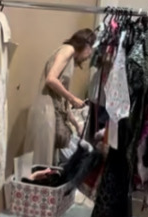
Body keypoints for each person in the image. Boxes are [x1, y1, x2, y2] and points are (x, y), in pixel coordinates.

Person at [25, 28, 96, 166]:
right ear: (86, 44)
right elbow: (51, 79)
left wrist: (76, 124)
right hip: (46, 111)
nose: (90, 55)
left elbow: (62, 99)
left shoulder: (70, 59)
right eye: (91, 49)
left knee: (49, 161)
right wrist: (72, 98)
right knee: (42, 161)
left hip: (52, 111)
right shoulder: (68, 49)